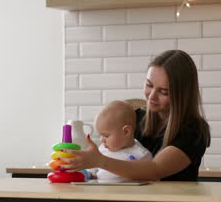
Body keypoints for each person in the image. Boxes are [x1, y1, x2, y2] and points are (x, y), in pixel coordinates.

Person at [61, 49, 211, 181]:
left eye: (163, 92)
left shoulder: (194, 131)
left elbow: (155, 170)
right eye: (149, 85)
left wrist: (99, 161)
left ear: (182, 95)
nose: (151, 96)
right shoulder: (136, 118)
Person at [85, 100, 153, 182]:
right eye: (100, 135)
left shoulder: (142, 155)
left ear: (126, 132)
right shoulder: (102, 148)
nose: (101, 140)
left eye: (106, 135)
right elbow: (93, 167)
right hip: (102, 192)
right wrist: (91, 174)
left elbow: (151, 179)